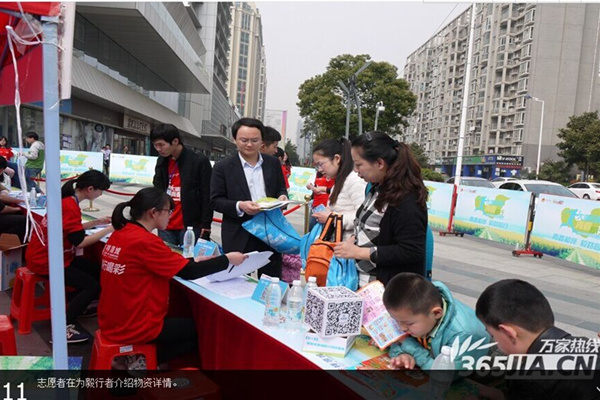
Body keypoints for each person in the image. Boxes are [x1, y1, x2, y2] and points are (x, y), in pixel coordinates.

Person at [98, 187, 246, 367]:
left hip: (112, 319)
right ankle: (142, 362)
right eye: (169, 211)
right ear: (153, 212)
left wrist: (194, 261)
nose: (171, 216)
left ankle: (140, 360)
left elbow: (167, 263)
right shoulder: (145, 241)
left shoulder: (123, 233)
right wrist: (227, 259)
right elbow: (188, 272)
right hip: (134, 325)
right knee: (203, 331)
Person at [25, 170, 113, 343]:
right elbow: (79, 242)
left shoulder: (67, 201)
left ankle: (80, 305)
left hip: (51, 256)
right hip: (46, 261)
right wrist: (109, 229)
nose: (101, 194)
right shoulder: (70, 206)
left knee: (96, 270)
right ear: (90, 189)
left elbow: (71, 229)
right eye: (101, 190)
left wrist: (96, 222)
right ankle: (63, 327)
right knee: (92, 286)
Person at [475, 279, 600, 400]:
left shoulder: (529, 380)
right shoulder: (588, 345)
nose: (495, 343)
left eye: (493, 335)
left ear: (509, 333)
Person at [333, 131, 428, 287]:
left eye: (359, 164)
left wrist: (358, 252)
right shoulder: (377, 188)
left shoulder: (407, 200)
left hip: (388, 288)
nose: (356, 170)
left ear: (379, 163)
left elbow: (411, 251)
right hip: (365, 281)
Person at [210, 118, 288, 278]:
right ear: (235, 139)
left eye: (254, 140)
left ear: (262, 141)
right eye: (244, 140)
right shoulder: (223, 167)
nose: (249, 144)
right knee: (237, 280)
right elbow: (215, 200)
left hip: (270, 230)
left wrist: (282, 197)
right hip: (239, 232)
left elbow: (281, 188)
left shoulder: (272, 163)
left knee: (271, 279)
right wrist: (240, 206)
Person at [382, 272, 490, 370]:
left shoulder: (464, 335)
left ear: (437, 313)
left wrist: (411, 347)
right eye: (395, 321)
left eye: (409, 323)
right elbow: (397, 341)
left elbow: (444, 375)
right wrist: (402, 354)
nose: (402, 328)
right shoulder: (420, 308)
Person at [151, 124, 213, 245]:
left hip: (190, 225)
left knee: (188, 256)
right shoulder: (162, 161)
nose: (158, 149)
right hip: (165, 223)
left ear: (175, 141)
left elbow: (207, 194)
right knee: (166, 256)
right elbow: (157, 189)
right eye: (155, 145)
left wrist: (206, 224)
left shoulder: (198, 161)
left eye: (161, 145)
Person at [310, 138, 366, 240]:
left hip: (349, 244)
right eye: (316, 166)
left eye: (320, 164)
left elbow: (363, 217)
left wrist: (332, 218)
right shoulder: (340, 181)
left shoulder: (355, 181)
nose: (319, 169)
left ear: (337, 159)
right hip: (338, 242)